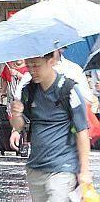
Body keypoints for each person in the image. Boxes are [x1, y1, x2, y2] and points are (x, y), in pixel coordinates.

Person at [10, 51, 91, 202]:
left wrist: (84, 171)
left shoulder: (69, 90)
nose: (31, 70)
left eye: (36, 65)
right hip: (35, 167)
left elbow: (82, 132)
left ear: (51, 61)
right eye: (29, 66)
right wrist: (16, 115)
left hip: (63, 168)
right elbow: (20, 125)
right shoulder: (29, 91)